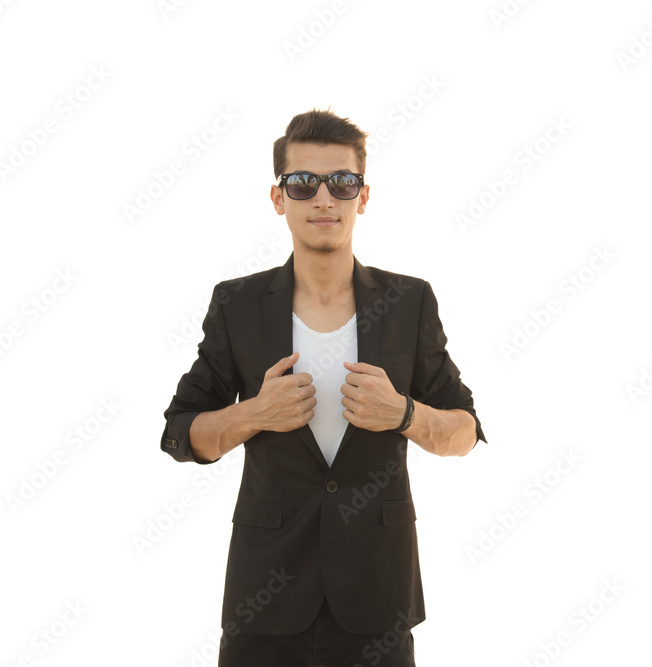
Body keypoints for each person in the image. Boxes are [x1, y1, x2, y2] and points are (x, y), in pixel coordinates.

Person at [160, 108, 487, 666]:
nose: (323, 199)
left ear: (363, 196)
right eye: (303, 183)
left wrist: (404, 414)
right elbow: (180, 434)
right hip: (264, 602)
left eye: (341, 182)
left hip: (377, 602)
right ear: (278, 197)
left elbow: (466, 431)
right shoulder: (237, 304)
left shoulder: (408, 302)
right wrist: (254, 414)